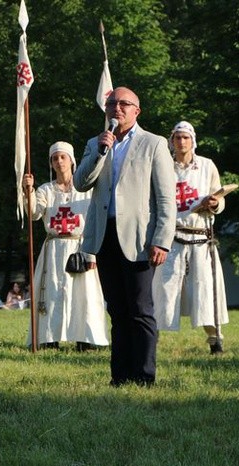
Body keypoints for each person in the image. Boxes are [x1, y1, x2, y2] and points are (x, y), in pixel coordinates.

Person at [74, 87, 176, 386]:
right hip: (104, 237)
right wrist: (99, 152)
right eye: (111, 104)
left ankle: (144, 376)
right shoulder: (96, 142)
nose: (116, 108)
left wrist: (162, 239)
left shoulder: (153, 144)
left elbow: (166, 199)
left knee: (140, 310)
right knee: (117, 310)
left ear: (136, 111)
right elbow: (81, 183)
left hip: (140, 239)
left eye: (123, 104)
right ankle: (120, 376)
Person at [23, 142, 108, 351]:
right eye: (55, 158)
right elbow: (33, 213)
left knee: (84, 294)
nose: (59, 161)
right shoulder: (45, 190)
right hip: (54, 248)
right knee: (52, 292)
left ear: (72, 160)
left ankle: (86, 339)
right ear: (51, 163)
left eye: (63, 157)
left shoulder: (85, 188)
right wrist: (28, 192)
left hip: (81, 246)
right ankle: (48, 338)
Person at [153, 121, 229, 354]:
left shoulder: (207, 166)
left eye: (186, 137)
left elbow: (219, 196)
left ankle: (215, 340)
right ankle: (149, 341)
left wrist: (215, 203)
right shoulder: (163, 165)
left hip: (201, 239)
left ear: (192, 140)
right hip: (172, 238)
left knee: (204, 290)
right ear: (172, 140)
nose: (181, 141)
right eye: (177, 137)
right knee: (161, 290)